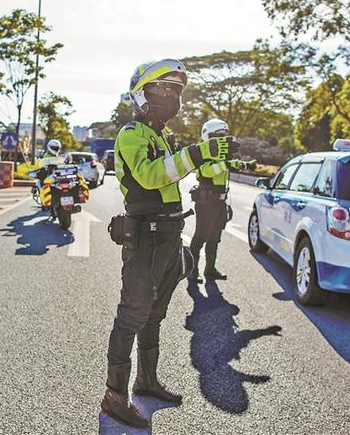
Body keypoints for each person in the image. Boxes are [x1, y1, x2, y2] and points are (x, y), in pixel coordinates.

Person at [101, 59, 239, 428]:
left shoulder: (162, 137)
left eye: (175, 90)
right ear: (140, 94)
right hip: (144, 240)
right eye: (161, 88)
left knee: (155, 315)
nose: (169, 96)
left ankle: (146, 381)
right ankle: (114, 396)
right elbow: (150, 177)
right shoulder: (131, 134)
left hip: (168, 237)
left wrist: (211, 155)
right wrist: (199, 152)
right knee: (132, 315)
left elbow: (180, 171)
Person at [188, 119, 256, 283]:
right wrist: (226, 163)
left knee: (214, 238)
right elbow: (205, 172)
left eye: (225, 135)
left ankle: (210, 269)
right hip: (206, 203)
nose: (223, 138)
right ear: (208, 135)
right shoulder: (203, 153)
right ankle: (192, 271)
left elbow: (229, 165)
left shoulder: (222, 155)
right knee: (200, 237)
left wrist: (245, 165)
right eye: (219, 135)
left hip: (219, 203)